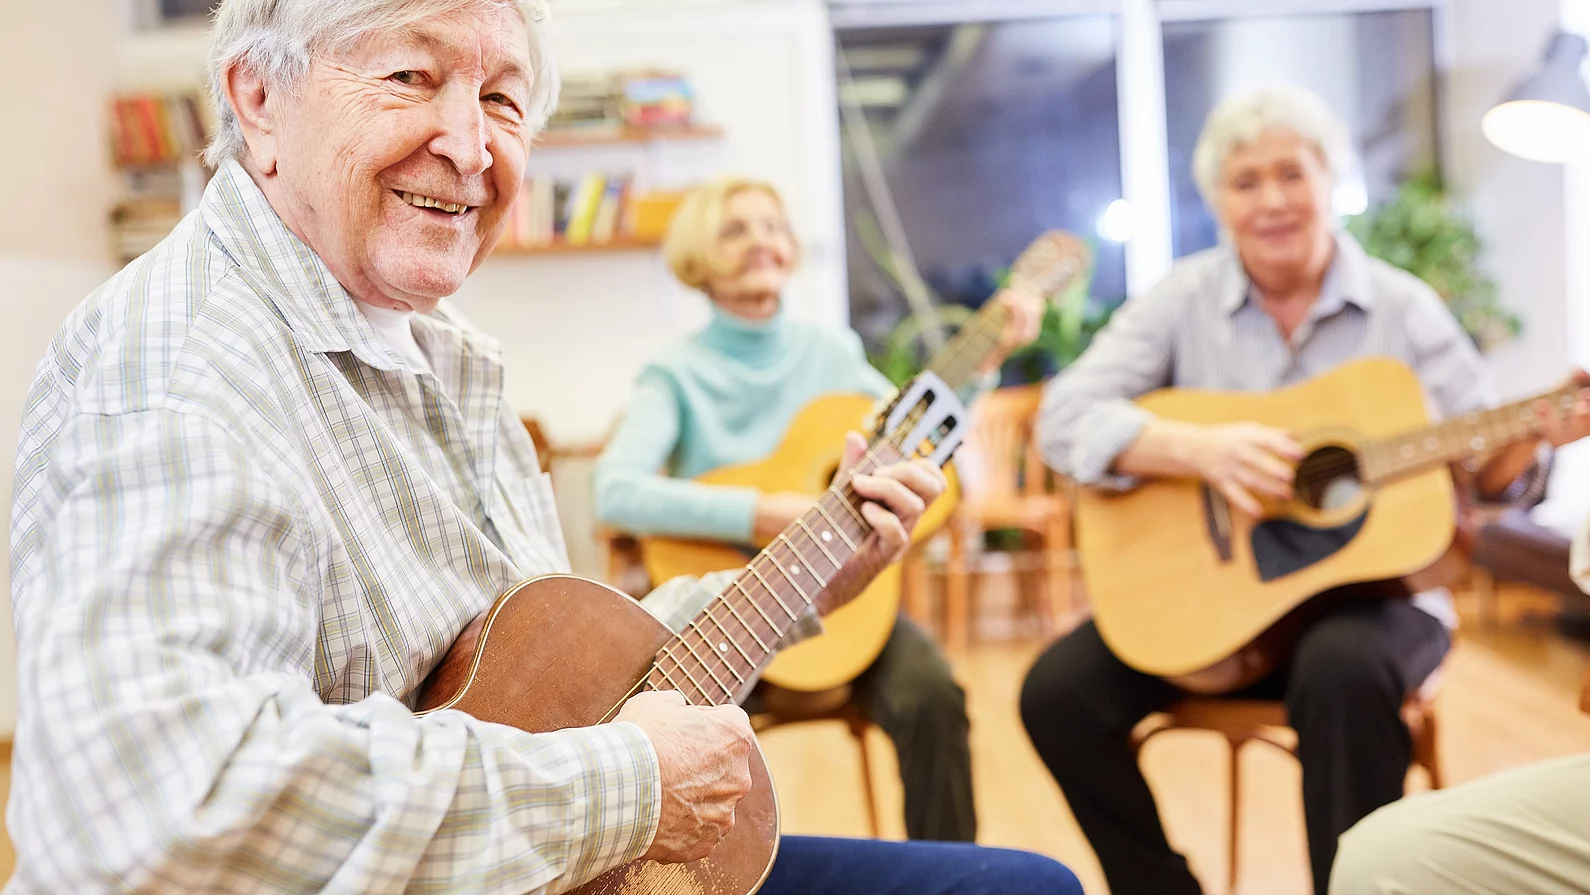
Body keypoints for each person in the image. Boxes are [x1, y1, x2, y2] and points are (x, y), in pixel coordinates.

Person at [3, 2, 1083, 893]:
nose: (470, 146)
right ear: (257, 97)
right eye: (411, 77)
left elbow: (561, 682)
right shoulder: (176, 369)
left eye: (502, 99)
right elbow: (161, 807)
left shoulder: (441, 353)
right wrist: (628, 783)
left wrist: (812, 574)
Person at [1018, 84, 1590, 895]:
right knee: (1057, 695)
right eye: (1246, 181)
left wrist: (1529, 438)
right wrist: (1198, 449)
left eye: (1292, 174)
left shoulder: (1404, 310)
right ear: (1219, 202)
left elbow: (1485, 477)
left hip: (1377, 605)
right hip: (1212, 614)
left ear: (1330, 180)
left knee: (1342, 671)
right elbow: (1062, 416)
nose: (1272, 200)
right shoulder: (1181, 300)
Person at [593, 177, 1041, 843]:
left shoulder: (832, 352)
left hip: (840, 604)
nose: (762, 241)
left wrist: (983, 364)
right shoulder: (674, 373)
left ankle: (950, 878)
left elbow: (915, 440)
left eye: (773, 226)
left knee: (934, 695)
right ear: (697, 254)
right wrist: (761, 512)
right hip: (726, 620)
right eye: (736, 229)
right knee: (677, 746)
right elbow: (615, 491)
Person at [1330, 393, 1590, 895]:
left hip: (1392, 597)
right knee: (1381, 861)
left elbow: (1482, 476)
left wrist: (1518, 448)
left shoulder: (1418, 343)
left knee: (1347, 666)